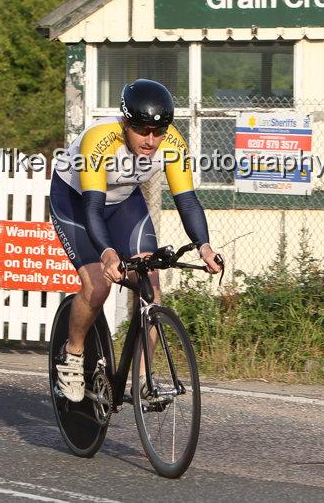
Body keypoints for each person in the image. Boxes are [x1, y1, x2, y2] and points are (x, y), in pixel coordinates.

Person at [49, 78, 223, 402]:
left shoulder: (172, 144)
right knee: (97, 286)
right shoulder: (99, 140)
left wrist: (205, 246)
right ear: (126, 122)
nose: (151, 140)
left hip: (125, 202)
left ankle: (143, 380)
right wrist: (108, 253)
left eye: (158, 131)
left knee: (151, 287)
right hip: (76, 202)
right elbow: (93, 208)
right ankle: (72, 353)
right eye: (143, 130)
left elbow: (187, 201)